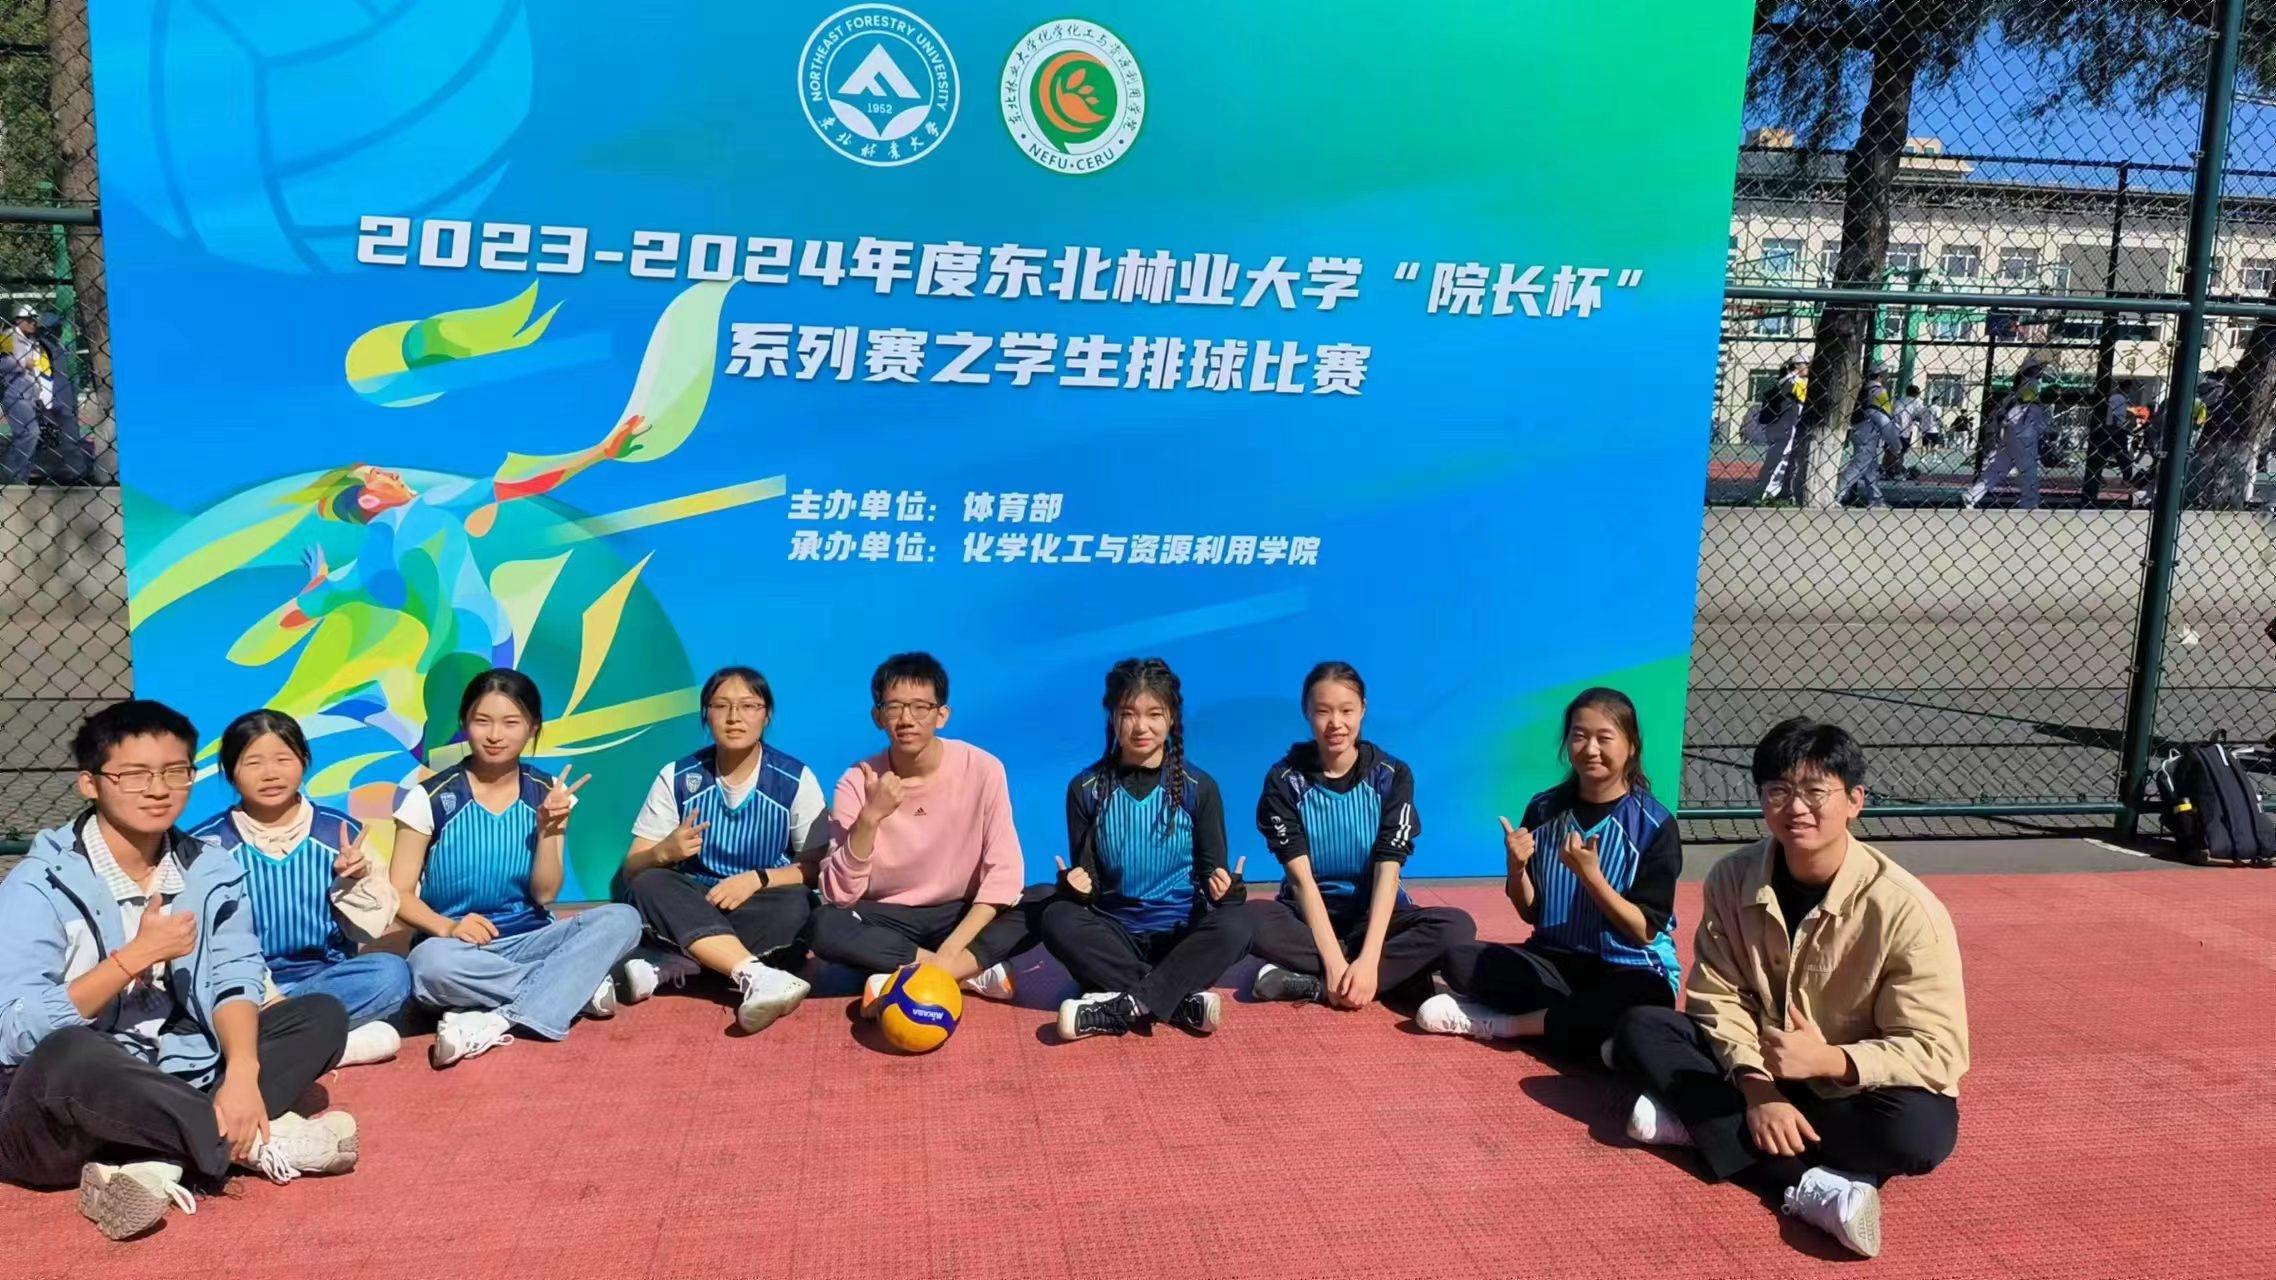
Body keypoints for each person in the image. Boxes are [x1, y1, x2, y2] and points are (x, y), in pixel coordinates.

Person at [1611, 719, 1968, 1259]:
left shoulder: (1906, 910)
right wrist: (1758, 1088)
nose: (1796, 807)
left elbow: (1939, 1050)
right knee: (1642, 1025)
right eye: (1778, 790)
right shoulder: (1732, 877)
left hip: (1847, 1089)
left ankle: (1700, 1123)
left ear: (1855, 801)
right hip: (1752, 1067)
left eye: (1815, 791)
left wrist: (1832, 1060)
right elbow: (1715, 994)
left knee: (1920, 1133)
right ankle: (1807, 1186)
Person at [0, 701, 357, 1241]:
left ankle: (156, 1157)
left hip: (178, 1071)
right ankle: (249, 1142)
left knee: (320, 1015)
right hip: (62, 1108)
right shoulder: (37, 884)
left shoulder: (209, 867)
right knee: (72, 1050)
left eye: (175, 772)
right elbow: (13, 1031)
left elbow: (236, 974)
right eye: (134, 775)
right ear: (90, 783)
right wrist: (132, 958)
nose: (158, 790)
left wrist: (243, 1075)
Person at [390, 669, 642, 1068]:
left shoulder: (548, 793)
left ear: (532, 728)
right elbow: (399, 894)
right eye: (482, 721)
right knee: (427, 968)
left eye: (511, 722)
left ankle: (494, 1020)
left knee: (623, 918)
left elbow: (545, 894)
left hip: (531, 939)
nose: (495, 735)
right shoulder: (429, 798)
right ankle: (570, 987)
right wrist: (448, 928)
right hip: (459, 949)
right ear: (464, 723)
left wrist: (549, 829)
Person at [1424, 688, 1681, 1061]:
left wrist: (1592, 879)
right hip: (1555, 962)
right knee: (1460, 961)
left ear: (1631, 747)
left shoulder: (1654, 825)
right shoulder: (1544, 809)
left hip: (1626, 968)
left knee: (1648, 997)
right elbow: (1532, 912)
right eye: (1579, 736)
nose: (1590, 749)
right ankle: (1591, 1038)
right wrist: (1516, 868)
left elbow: (1644, 930)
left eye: (1604, 738)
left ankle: (1505, 1025)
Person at [812, 652, 1046, 1010]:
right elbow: (838, 895)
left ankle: (918, 973)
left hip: (959, 914)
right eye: (894, 708)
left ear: (942, 715)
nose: (907, 720)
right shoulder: (857, 781)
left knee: (1042, 901)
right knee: (823, 924)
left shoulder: (982, 768)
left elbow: (1004, 874)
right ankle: (969, 973)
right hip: (889, 917)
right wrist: (870, 817)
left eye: (920, 707)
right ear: (877, 717)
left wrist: (948, 954)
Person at [1041, 658, 1255, 1041]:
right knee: (1057, 917)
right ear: (1112, 717)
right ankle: (1176, 999)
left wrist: (1229, 892)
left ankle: (1123, 1006)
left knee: (1238, 924)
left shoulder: (1200, 788)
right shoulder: (1085, 789)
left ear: (1172, 717)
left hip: (1179, 937)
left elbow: (1213, 881)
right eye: (1128, 714)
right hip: (1115, 938)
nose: (1141, 727)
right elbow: (1089, 884)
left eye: (1154, 714)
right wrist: (1075, 888)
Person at [188, 709, 412, 1067]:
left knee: (391, 975)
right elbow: (203, 942)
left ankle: (280, 1043)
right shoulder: (206, 847)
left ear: (304, 761)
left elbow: (367, 930)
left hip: (322, 980)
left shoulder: (341, 834)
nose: (271, 774)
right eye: (253, 763)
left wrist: (353, 881)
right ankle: (323, 1046)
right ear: (230, 772)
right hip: (242, 988)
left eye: (283, 759)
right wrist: (266, 997)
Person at [1246, 662, 1476, 1008]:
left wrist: (1368, 960)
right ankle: (1389, 977)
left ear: (1363, 709)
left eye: (1346, 710)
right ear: (1306, 712)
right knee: (1248, 920)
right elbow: (1301, 881)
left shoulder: (1392, 775)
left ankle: (1318, 985)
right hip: (1307, 917)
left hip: (1375, 917)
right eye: (1323, 711)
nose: (1335, 723)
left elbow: (1389, 870)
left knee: (1457, 926)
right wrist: (1334, 961)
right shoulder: (1283, 780)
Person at [620, 665, 829, 1034]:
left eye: (748, 705)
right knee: (649, 883)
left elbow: (815, 868)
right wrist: (663, 853)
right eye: (721, 706)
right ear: (706, 714)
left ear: (766, 715)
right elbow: (633, 867)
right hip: (696, 903)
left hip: (760, 902)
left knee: (797, 904)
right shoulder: (678, 777)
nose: (734, 717)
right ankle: (755, 975)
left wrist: (756, 879)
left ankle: (684, 962)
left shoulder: (795, 779)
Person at [0, 303, 88, 485]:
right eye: (29, 320)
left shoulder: (39, 343)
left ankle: (21, 476)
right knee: (29, 434)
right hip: (18, 395)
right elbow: (3, 364)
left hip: (36, 396)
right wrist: (22, 363)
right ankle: (12, 475)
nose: (33, 323)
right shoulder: (8, 337)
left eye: (34, 320)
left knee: (40, 436)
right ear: (18, 320)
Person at [1963, 357, 2052, 510]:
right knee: (2028, 470)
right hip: (2023, 433)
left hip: (2010, 432)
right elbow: (2027, 407)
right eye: (2036, 369)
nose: (2039, 372)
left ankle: (1972, 495)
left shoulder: (2016, 390)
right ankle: (2029, 503)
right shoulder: (2031, 384)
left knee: (1997, 468)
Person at [1837, 375, 1903, 509]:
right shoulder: (1879, 392)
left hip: (1857, 430)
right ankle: (1835, 495)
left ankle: (1875, 499)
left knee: (1870, 468)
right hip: (1868, 433)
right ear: (1881, 376)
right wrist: (1896, 446)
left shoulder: (1862, 389)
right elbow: (1883, 419)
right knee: (1858, 466)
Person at [1751, 357, 1809, 502]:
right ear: (1797, 366)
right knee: (1780, 460)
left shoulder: (1781, 380)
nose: (1808, 367)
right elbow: (1803, 402)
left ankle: (1767, 491)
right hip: (1786, 425)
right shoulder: (1796, 382)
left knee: (1777, 459)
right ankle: (1767, 494)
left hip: (1774, 424)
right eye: (1806, 364)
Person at [2081, 381, 2141, 507]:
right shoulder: (2119, 398)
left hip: (2112, 429)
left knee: (2106, 453)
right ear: (2126, 388)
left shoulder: (2117, 397)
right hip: (2116, 429)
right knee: (2122, 454)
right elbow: (2114, 414)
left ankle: (2098, 477)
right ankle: (2127, 477)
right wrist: (2116, 425)